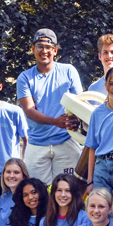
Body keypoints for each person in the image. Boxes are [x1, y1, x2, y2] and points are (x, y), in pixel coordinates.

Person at [17, 29, 83, 185]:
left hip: (66, 141)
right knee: (36, 193)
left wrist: (75, 120)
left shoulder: (69, 71)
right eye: (40, 46)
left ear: (55, 51)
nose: (44, 51)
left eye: (48, 47)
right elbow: (29, 111)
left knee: (69, 189)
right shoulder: (25, 77)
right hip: (37, 144)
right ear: (32, 49)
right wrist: (56, 122)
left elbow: (80, 103)